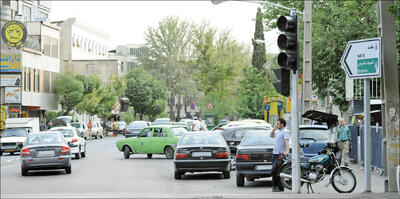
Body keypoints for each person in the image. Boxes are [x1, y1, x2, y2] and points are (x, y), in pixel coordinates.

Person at [269, 118, 290, 192]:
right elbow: (271, 135)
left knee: (274, 170)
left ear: (282, 124)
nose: (276, 125)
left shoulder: (285, 131)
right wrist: (273, 129)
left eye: (278, 124)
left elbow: (286, 141)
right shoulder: (278, 131)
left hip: (280, 154)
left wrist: (287, 151)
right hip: (274, 154)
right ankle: (279, 187)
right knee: (277, 171)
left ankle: (276, 187)